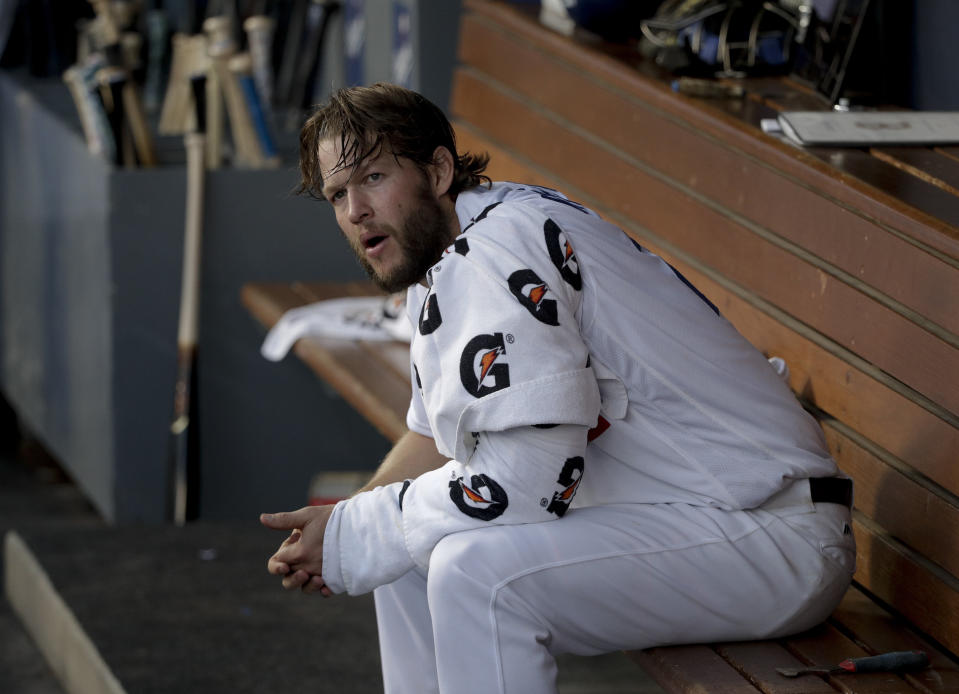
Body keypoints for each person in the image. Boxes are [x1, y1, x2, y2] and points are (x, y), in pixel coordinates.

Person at [260, 83, 855, 694]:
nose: (355, 209)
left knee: (477, 576)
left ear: (437, 170)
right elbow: (431, 439)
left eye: (374, 177)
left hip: (771, 530)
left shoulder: (496, 250)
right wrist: (345, 525)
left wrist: (362, 530)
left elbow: (529, 480)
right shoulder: (449, 253)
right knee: (405, 552)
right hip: (694, 520)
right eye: (337, 194)